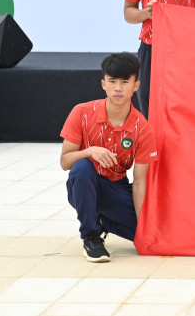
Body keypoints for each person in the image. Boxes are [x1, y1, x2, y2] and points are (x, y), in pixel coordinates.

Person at [60, 52, 157, 262]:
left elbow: (139, 182)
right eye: (112, 81)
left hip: (116, 188)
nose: (118, 88)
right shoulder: (81, 112)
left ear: (136, 86)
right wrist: (90, 151)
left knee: (150, 235)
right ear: (103, 84)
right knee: (82, 166)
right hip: (83, 185)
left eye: (125, 82)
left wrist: (142, 228)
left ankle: (102, 220)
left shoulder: (143, 128)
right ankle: (91, 236)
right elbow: (65, 162)